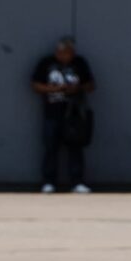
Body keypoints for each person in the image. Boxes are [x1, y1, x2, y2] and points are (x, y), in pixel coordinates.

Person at [31, 35, 96, 193]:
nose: (66, 56)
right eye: (63, 52)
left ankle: (77, 181)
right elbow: (35, 85)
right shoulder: (46, 63)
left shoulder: (79, 63)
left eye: (69, 52)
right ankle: (49, 181)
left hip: (74, 113)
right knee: (51, 147)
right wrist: (54, 89)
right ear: (57, 52)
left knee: (75, 147)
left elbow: (91, 85)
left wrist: (77, 88)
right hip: (52, 112)